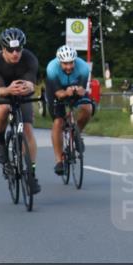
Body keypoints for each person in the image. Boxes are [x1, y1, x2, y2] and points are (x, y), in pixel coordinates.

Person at [0, 27, 41, 195]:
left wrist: (29, 86)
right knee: (3, 109)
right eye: (10, 50)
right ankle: (1, 140)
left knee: (27, 129)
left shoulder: (30, 59)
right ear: (3, 49)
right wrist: (8, 89)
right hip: (3, 89)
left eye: (18, 49)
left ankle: (31, 173)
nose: (15, 53)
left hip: (22, 92)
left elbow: (32, 83)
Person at [45, 45, 96, 176]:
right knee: (58, 122)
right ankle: (58, 161)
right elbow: (59, 94)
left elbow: (83, 90)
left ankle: (76, 134)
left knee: (87, 108)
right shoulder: (52, 68)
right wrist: (67, 93)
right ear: (59, 62)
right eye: (65, 64)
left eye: (71, 63)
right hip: (57, 91)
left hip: (74, 89)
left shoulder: (83, 67)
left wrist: (79, 91)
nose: (68, 67)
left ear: (75, 60)